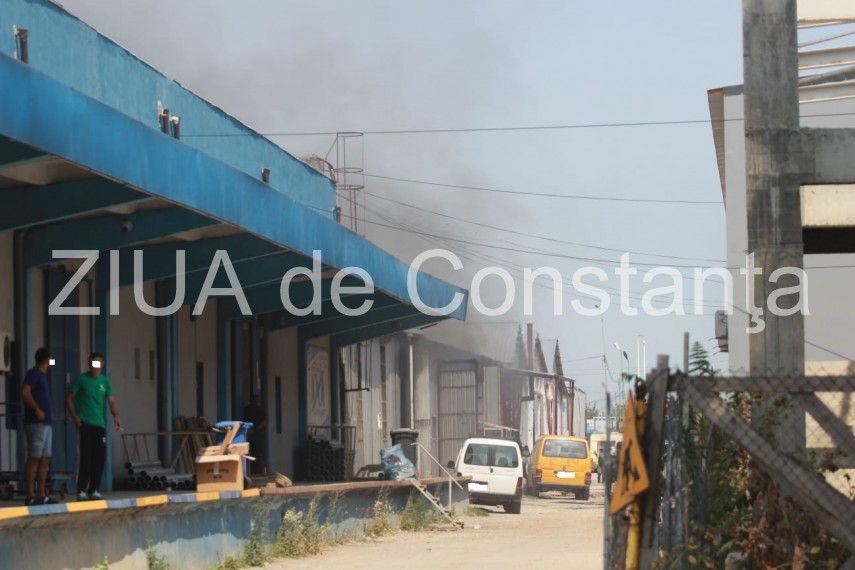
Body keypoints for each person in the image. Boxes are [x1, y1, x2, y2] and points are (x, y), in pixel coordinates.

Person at [66, 353, 122, 501]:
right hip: (84, 423)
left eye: (97, 364)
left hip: (99, 424)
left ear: (102, 364)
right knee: (86, 457)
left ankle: (94, 489)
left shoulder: (105, 382)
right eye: (92, 363)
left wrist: (116, 416)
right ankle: (81, 490)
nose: (94, 367)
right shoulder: (82, 379)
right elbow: (69, 398)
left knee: (100, 458)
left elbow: (112, 401)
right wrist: (74, 416)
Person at [21, 348, 59, 505]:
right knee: (34, 457)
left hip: (46, 423)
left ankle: (41, 494)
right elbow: (25, 392)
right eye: (51, 359)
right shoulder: (34, 374)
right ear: (46, 359)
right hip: (36, 423)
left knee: (45, 458)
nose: (52, 362)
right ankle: (30, 495)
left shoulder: (43, 376)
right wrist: (37, 409)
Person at [242, 394, 267, 474]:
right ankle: (256, 473)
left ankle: (246, 472)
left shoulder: (246, 409)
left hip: (247, 434)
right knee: (256, 455)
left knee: (246, 454)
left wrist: (249, 431)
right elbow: (263, 422)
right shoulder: (260, 409)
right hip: (257, 435)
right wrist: (255, 430)